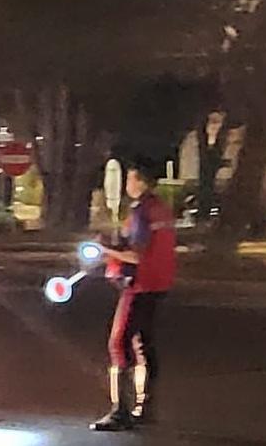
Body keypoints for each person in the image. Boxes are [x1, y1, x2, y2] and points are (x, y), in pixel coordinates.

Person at [90, 161, 176, 432]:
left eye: (130, 179)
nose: (127, 184)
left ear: (140, 182)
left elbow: (136, 255)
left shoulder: (141, 211)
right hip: (159, 284)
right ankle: (145, 406)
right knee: (144, 344)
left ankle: (121, 411)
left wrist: (105, 251)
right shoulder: (161, 208)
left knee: (119, 343)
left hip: (139, 285)